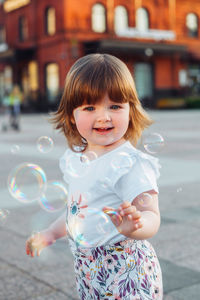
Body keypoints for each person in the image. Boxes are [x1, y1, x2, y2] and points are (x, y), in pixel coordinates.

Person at [26, 53, 163, 299]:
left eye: (115, 106)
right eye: (90, 107)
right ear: (71, 114)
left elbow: (152, 215)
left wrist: (136, 226)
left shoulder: (130, 164)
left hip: (126, 270)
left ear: (130, 110)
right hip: (89, 269)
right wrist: (50, 233)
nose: (104, 116)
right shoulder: (77, 160)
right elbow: (76, 211)